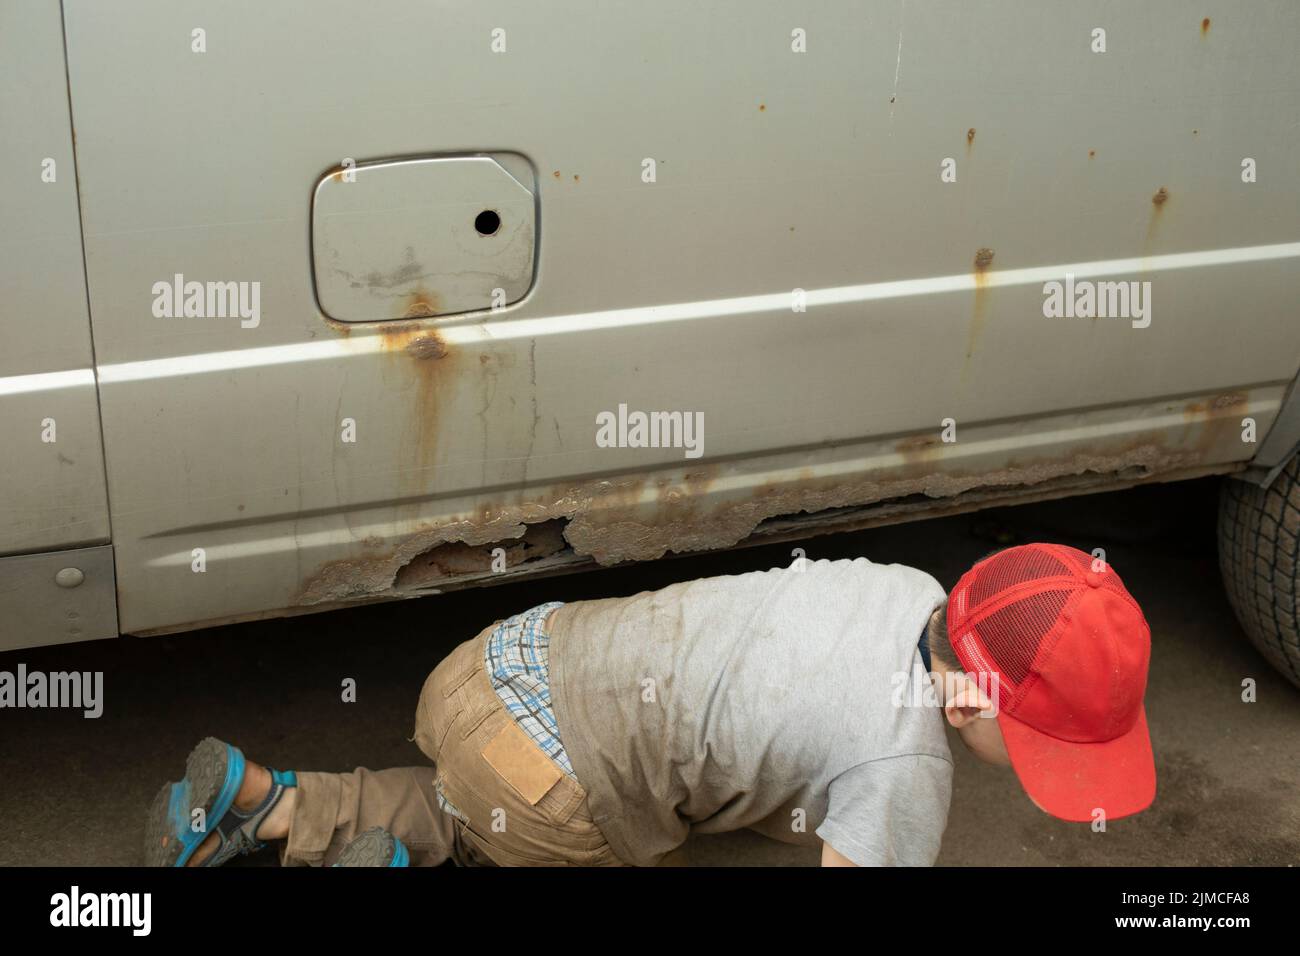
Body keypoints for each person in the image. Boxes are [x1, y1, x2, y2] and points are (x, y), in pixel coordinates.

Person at [145, 542, 1156, 867]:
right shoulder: (904, 773)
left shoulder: (904, 585)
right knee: (511, 822)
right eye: (1037, 742)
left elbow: (786, 702)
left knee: (497, 783)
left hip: (499, 661)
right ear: (975, 700)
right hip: (543, 778)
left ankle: (261, 797)